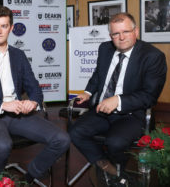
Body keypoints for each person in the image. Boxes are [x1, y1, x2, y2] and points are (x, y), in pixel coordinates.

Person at [0, 5, 70, 183]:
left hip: (19, 114)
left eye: (3, 26)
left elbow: (34, 87)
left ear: (11, 28)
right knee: (3, 145)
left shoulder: (19, 56)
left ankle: (27, 179)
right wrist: (2, 105)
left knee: (62, 138)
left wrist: (33, 102)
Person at [69, 12, 167, 180]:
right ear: (111, 36)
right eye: (116, 33)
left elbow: (150, 96)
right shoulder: (105, 48)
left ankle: (119, 177)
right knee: (75, 132)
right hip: (101, 110)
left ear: (136, 32)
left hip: (131, 114)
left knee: (114, 143)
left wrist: (118, 100)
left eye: (126, 32)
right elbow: (98, 75)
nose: (121, 37)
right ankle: (107, 168)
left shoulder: (153, 57)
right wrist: (88, 92)